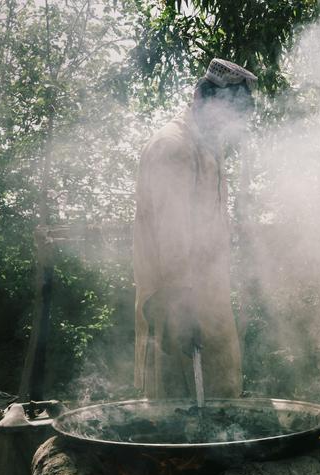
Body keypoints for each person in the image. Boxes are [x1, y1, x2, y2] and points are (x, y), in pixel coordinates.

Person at [132, 59, 257, 399]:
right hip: (175, 303)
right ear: (203, 100)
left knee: (219, 406)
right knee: (175, 417)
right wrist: (182, 310)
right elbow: (172, 235)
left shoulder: (209, 149)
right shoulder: (173, 147)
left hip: (209, 298)